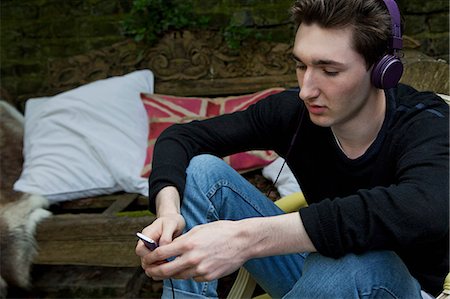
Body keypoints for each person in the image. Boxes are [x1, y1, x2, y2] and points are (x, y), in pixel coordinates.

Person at [136, 0, 449, 297]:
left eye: (329, 70)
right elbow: (180, 137)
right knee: (202, 171)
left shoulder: (427, 122)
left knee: (355, 264)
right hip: (317, 271)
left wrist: (245, 239)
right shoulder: (293, 113)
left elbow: (426, 209)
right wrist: (167, 212)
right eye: (301, 65)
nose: (306, 90)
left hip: (399, 287)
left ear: (383, 70)